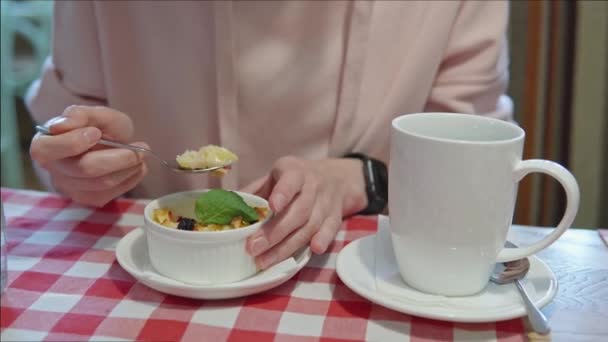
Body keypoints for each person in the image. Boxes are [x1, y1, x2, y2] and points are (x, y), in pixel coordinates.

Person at [27, 1, 512, 270]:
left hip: (369, 276)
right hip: (158, 272)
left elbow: (480, 171)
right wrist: (79, 161)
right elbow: (63, 127)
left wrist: (365, 178)